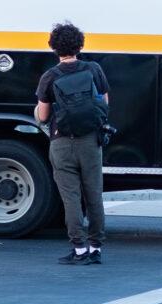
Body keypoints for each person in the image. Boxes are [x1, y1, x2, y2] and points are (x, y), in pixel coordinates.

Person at [35, 22, 110, 265]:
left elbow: (44, 116)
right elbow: (104, 104)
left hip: (62, 143)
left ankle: (79, 249)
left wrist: (37, 110)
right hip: (91, 140)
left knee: (71, 197)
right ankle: (96, 247)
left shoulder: (50, 76)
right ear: (80, 44)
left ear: (54, 47)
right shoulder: (93, 69)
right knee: (93, 194)